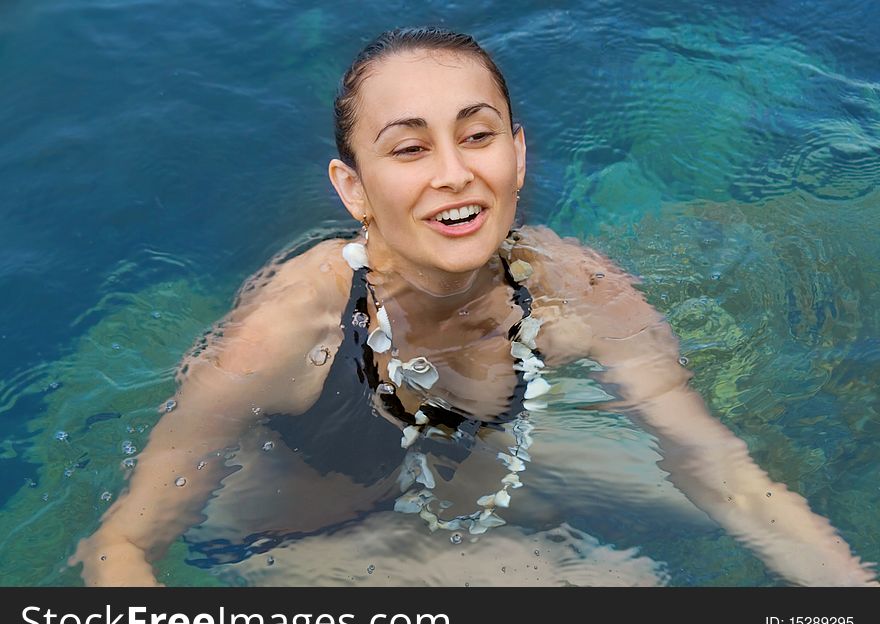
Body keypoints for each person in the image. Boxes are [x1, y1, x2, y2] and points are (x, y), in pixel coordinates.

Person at [71, 27, 877, 586]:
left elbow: (717, 469)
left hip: (455, 474)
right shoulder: (290, 328)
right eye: (410, 148)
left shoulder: (572, 285)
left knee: (719, 496)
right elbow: (121, 543)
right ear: (353, 188)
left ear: (519, 154)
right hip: (290, 542)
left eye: (477, 135)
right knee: (616, 582)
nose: (454, 174)